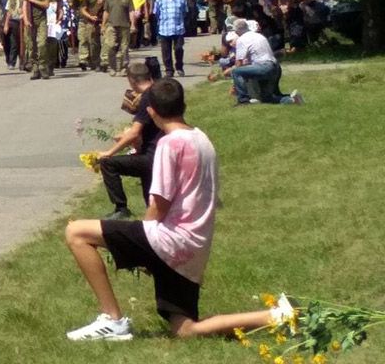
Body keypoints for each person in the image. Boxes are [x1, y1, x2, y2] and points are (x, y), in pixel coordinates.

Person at [65, 78, 296, 341]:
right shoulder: (202, 139)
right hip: (195, 247)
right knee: (185, 330)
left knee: (76, 233)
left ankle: (112, 319)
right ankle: (276, 316)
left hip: (170, 240)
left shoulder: (169, 144)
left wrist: (145, 249)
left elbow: (159, 204)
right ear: (183, 105)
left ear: (151, 112)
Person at [97, 62, 162, 220]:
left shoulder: (146, 97)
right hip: (161, 152)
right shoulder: (158, 92)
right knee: (150, 203)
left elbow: (134, 133)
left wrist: (109, 152)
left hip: (152, 156)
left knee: (108, 163)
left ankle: (121, 208)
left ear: (131, 80)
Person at [224, 19, 303, 105]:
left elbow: (239, 63)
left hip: (264, 67)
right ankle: (292, 99)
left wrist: (236, 84)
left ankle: (243, 100)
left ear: (237, 30)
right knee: (266, 98)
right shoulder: (259, 36)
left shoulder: (242, 40)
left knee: (236, 72)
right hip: (276, 67)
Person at [153, 0, 188, 77]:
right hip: (164, 29)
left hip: (178, 28)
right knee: (166, 51)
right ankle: (169, 70)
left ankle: (179, 67)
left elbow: (185, 12)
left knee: (178, 49)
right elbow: (156, 13)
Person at [101, 0, 134, 76]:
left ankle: (124, 68)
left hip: (124, 25)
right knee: (110, 46)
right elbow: (106, 11)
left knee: (124, 48)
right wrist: (103, 25)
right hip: (111, 25)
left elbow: (131, 11)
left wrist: (133, 24)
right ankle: (113, 67)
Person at [23, 0, 51, 80]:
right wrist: (25, 19)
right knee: (31, 46)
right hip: (30, 21)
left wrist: (32, 0)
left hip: (41, 21)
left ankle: (43, 67)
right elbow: (24, 5)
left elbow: (46, 4)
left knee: (42, 44)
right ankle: (35, 69)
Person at [78, 0, 104, 70]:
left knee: (101, 43)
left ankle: (100, 62)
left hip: (103, 22)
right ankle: (90, 61)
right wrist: (90, 17)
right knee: (91, 42)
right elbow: (83, 9)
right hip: (90, 22)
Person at [1, 0, 23, 70]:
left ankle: (19, 62)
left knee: (19, 43)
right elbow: (8, 12)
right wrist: (6, 24)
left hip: (21, 21)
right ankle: (10, 61)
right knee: (10, 42)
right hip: (12, 21)